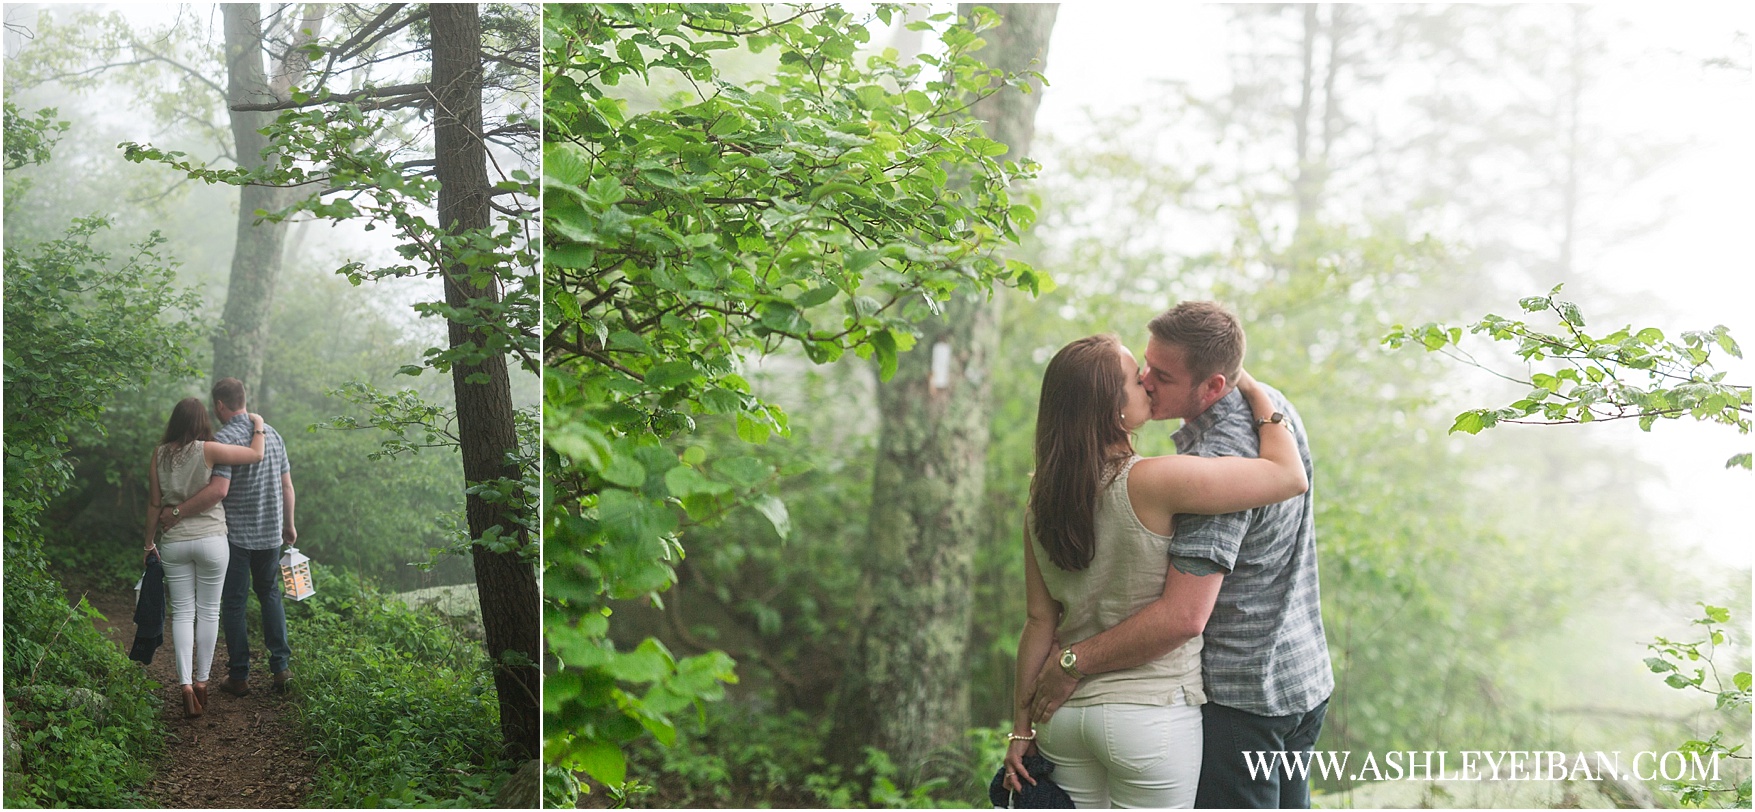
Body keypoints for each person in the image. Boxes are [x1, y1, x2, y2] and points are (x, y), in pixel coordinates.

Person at [1024, 302, 1333, 809]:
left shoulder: (1212, 468)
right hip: (1301, 681)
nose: (1146, 381)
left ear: (1213, 386)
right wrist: (1254, 387)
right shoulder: (1272, 412)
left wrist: (1070, 664)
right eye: (1143, 367)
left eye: (1161, 375)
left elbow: (1184, 616)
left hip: (1241, 700)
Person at [159, 378, 297, 697]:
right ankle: (281, 669)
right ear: (243, 399)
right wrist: (288, 525)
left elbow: (218, 490)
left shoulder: (222, 440)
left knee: (233, 602)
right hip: (270, 534)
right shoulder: (272, 435)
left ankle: (239, 676)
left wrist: (177, 512)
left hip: (235, 536)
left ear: (221, 405)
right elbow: (287, 486)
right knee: (270, 594)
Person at [143, 397, 264, 717]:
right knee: (209, 612)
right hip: (212, 540)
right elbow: (255, 454)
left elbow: (155, 505)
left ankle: (183, 685)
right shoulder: (208, 449)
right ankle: (201, 683)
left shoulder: (159, 454)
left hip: (174, 543)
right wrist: (259, 425)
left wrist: (148, 544)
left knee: (182, 613)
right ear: (202, 422)